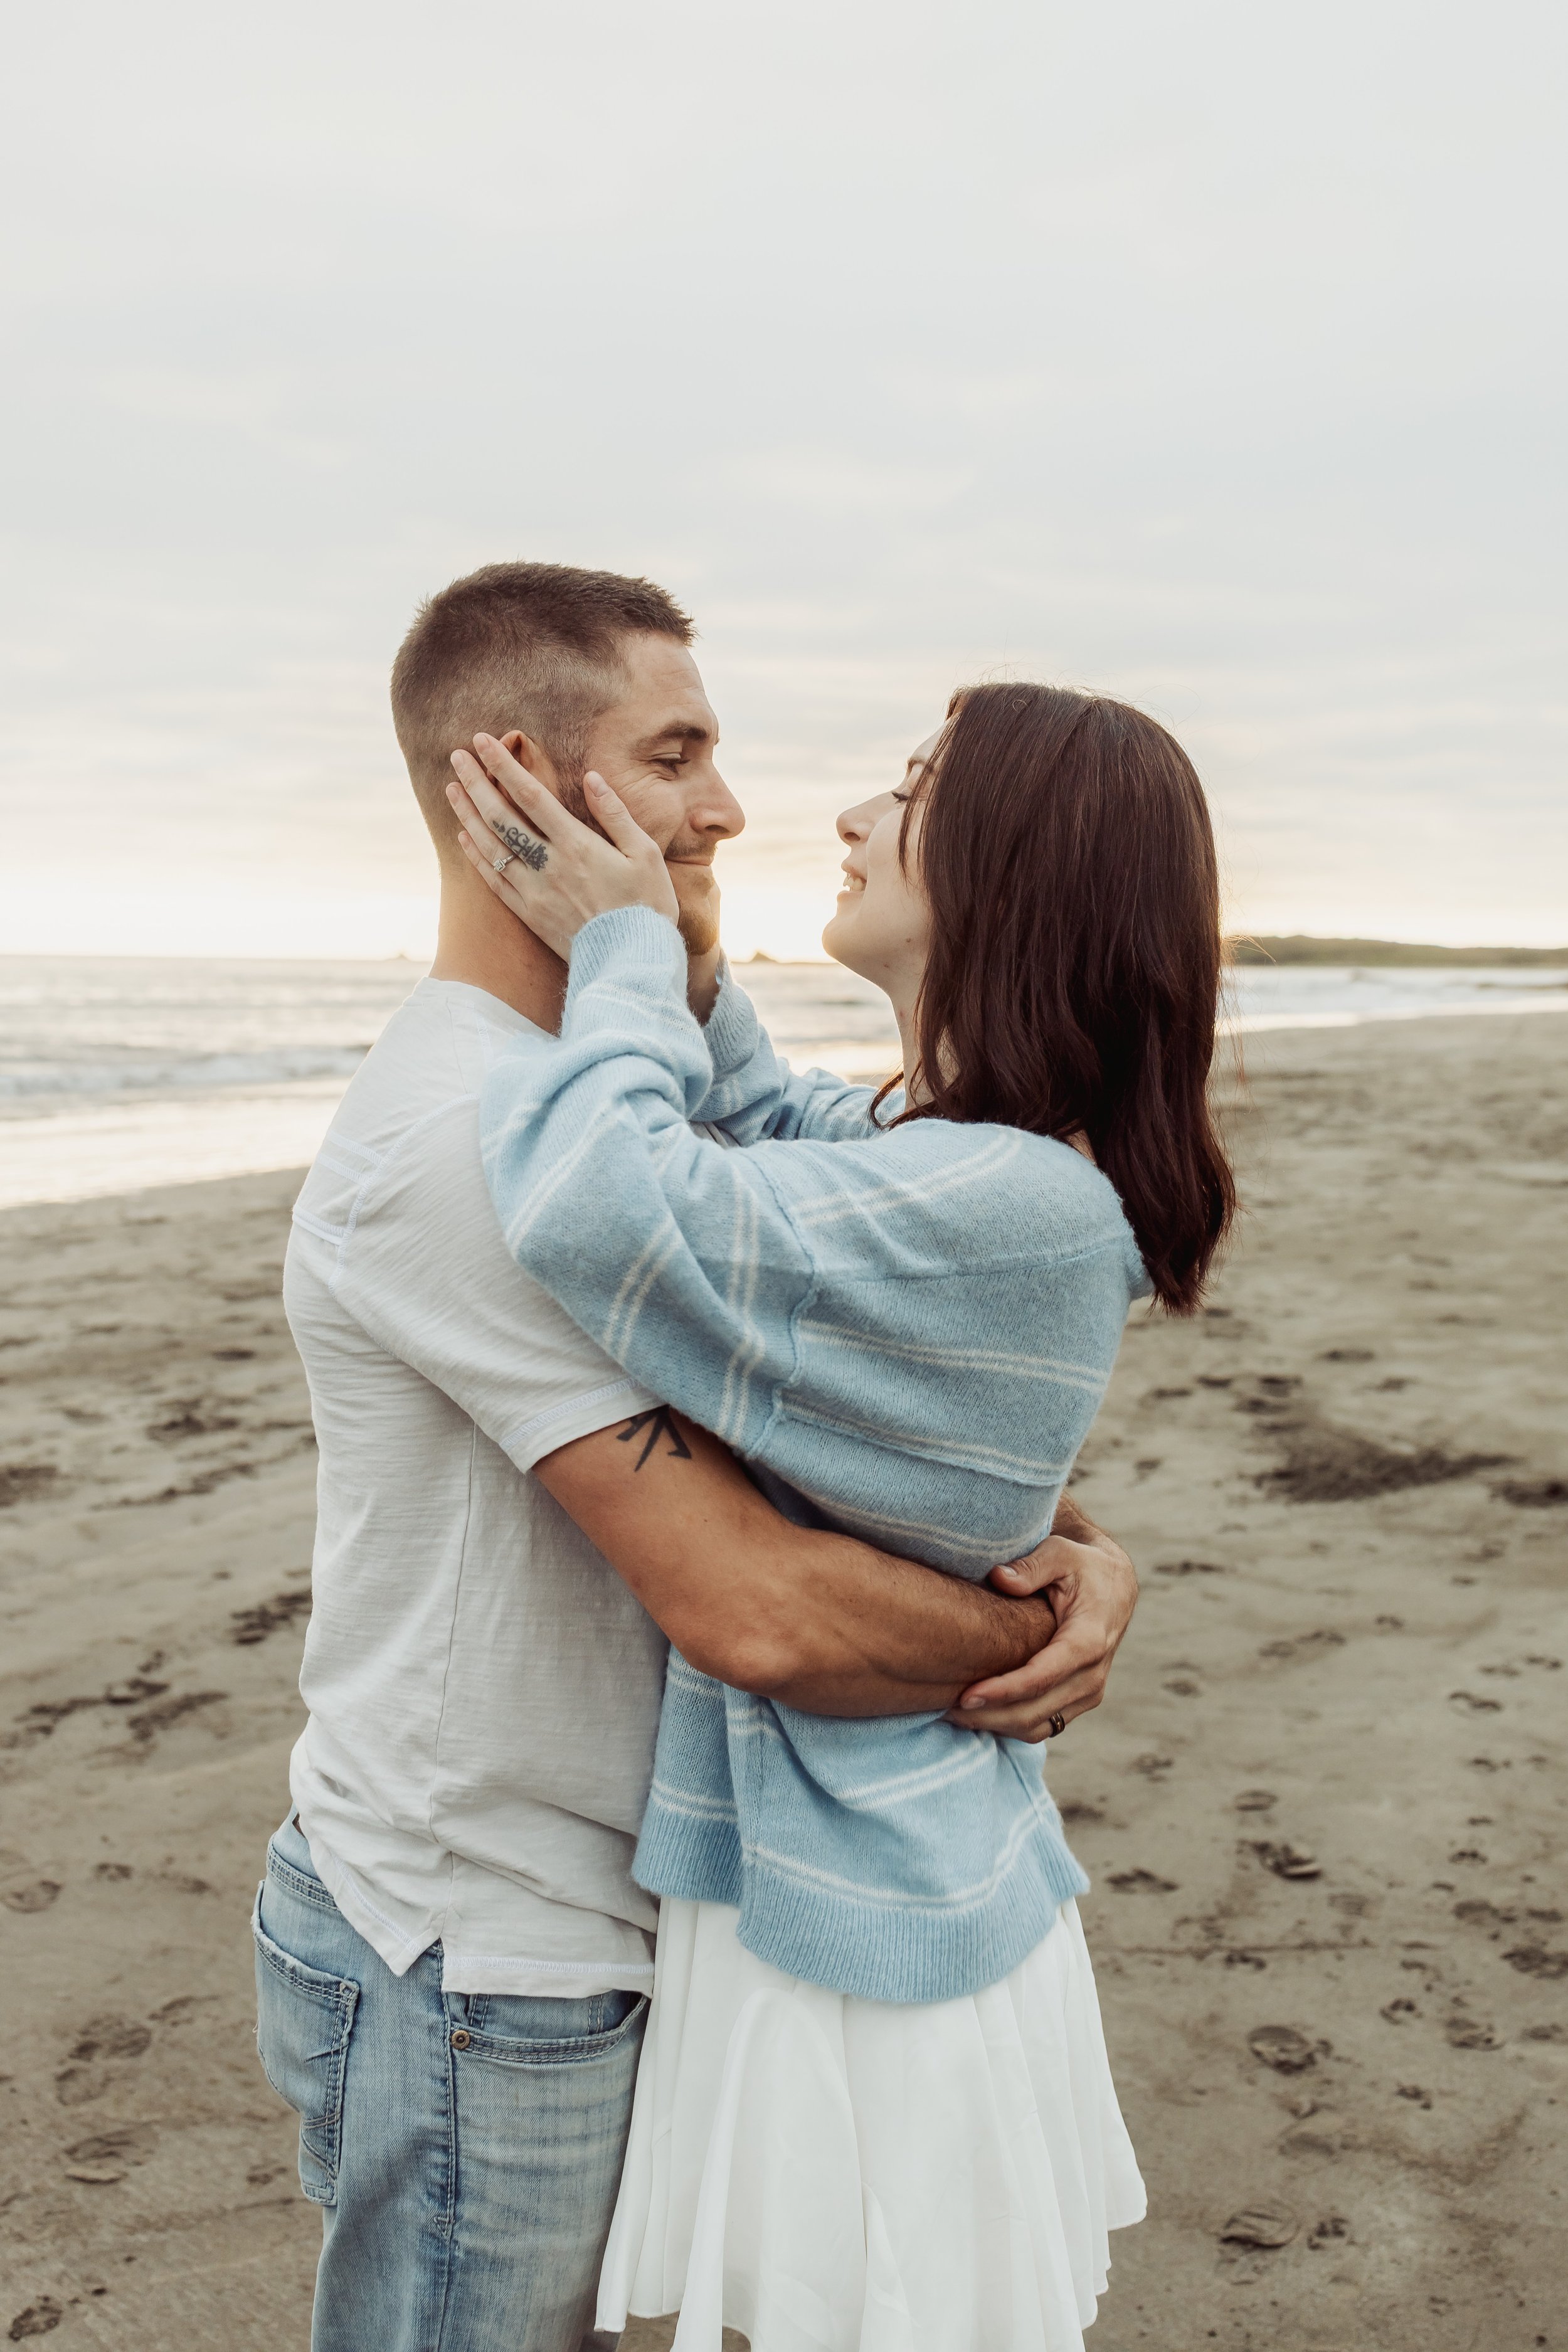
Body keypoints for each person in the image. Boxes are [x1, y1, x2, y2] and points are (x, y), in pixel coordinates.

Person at [255, 563, 1141, 2352]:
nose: (734, 806)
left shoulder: (611, 1108)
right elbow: (754, 1599)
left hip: (631, 1910)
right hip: (485, 1949)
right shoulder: (472, 1146)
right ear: (514, 779)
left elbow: (833, 1405)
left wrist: (1066, 1537)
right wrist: (1029, 1630)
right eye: (678, 753)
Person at [447, 675, 1236, 2351]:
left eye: (909, 789)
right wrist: (676, 929)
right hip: (850, 1874)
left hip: (869, 1922)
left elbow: (602, 1199)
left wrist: (623, 960)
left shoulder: (1008, 1193)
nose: (852, 818)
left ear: (1019, 866)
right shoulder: (945, 1150)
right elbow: (760, 1123)